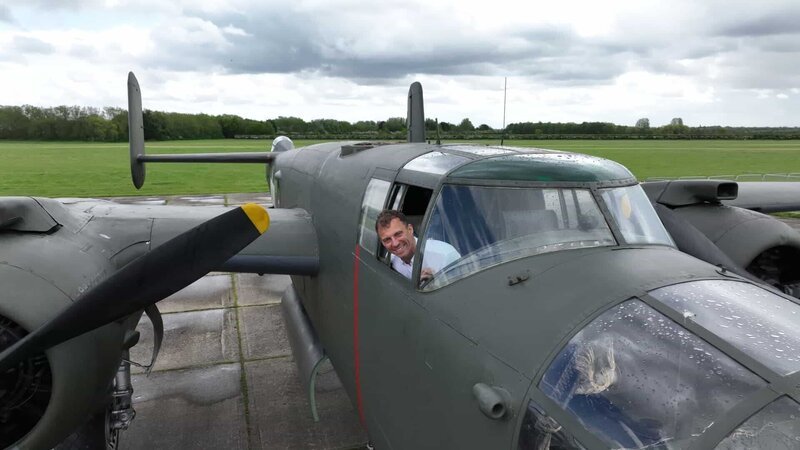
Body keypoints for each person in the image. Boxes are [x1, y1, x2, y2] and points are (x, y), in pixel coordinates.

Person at [375, 210, 460, 280]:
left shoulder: (445, 256)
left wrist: (437, 283)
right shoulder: (391, 258)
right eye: (387, 240)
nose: (395, 243)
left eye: (398, 234)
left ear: (410, 229)